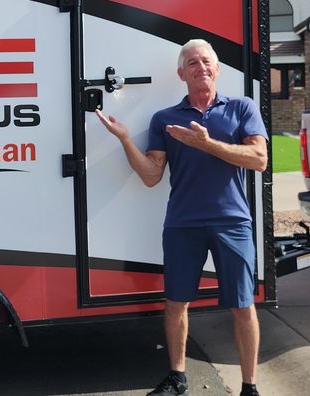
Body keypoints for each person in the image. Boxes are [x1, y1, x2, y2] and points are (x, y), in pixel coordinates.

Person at [96, 39, 267, 396]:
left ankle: (249, 386)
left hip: (232, 222)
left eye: (206, 61)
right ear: (181, 74)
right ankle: (177, 378)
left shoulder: (241, 108)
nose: (200, 67)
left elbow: (259, 160)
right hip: (182, 224)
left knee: (242, 305)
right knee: (175, 302)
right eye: (192, 63)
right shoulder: (166, 120)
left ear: (217, 69)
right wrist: (126, 140)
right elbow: (151, 174)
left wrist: (207, 144)